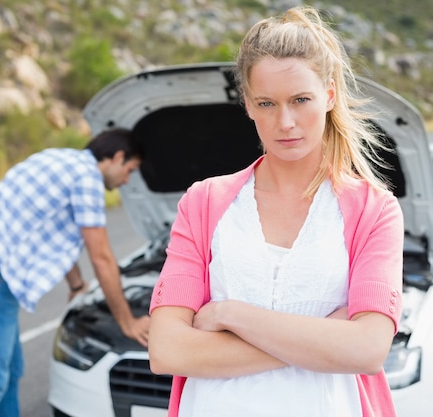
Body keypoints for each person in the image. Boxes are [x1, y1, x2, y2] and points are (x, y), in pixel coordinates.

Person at [148, 6, 404, 417]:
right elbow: (166, 350)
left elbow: (368, 349)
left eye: (301, 99)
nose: (285, 122)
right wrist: (324, 339)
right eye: (266, 103)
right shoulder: (203, 202)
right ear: (247, 104)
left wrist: (232, 315)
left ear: (329, 95)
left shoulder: (374, 210)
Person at [0, 127, 150, 417]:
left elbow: (55, 233)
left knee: (9, 370)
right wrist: (127, 322)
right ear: (118, 157)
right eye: (130, 169)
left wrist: (76, 285)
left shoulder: (61, 159)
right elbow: (102, 257)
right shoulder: (86, 178)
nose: (126, 180)